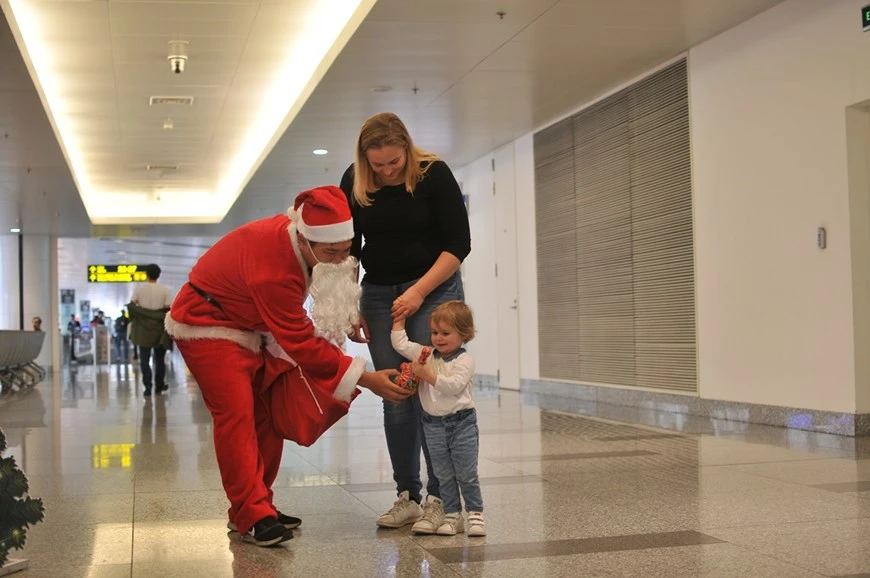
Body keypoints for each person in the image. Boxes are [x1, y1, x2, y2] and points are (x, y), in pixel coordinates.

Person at [164, 185, 411, 548]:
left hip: (250, 325)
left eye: (347, 250)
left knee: (266, 416)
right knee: (237, 416)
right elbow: (299, 341)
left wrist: (346, 313)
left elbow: (309, 312)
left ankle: (256, 506)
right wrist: (366, 378)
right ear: (307, 241)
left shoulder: (306, 243)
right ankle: (251, 514)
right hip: (205, 324)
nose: (340, 259)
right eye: (331, 252)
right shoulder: (273, 268)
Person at [339, 112, 471, 528]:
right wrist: (348, 300)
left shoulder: (434, 174)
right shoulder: (356, 180)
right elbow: (349, 247)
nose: (387, 171)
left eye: (394, 162)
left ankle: (441, 498)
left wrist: (417, 293)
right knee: (396, 391)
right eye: (377, 165)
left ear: (407, 150)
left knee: (432, 391)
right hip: (378, 294)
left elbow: (458, 244)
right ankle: (407, 494)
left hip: (433, 289)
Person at [391, 300, 485, 536]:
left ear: (463, 334)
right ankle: (452, 514)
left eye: (446, 333)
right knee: (443, 473)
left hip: (461, 424)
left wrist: (427, 375)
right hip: (432, 425)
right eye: (434, 332)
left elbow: (453, 386)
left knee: (466, 472)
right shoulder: (426, 354)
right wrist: (399, 319)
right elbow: (400, 343)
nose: (438, 338)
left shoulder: (465, 361)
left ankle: (475, 513)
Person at [129, 264, 173, 395]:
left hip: (143, 329)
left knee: (144, 359)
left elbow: (132, 305)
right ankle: (159, 386)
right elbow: (167, 308)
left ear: (146, 274)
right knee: (160, 360)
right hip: (159, 329)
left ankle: (147, 386)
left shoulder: (139, 289)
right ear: (158, 275)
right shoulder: (165, 290)